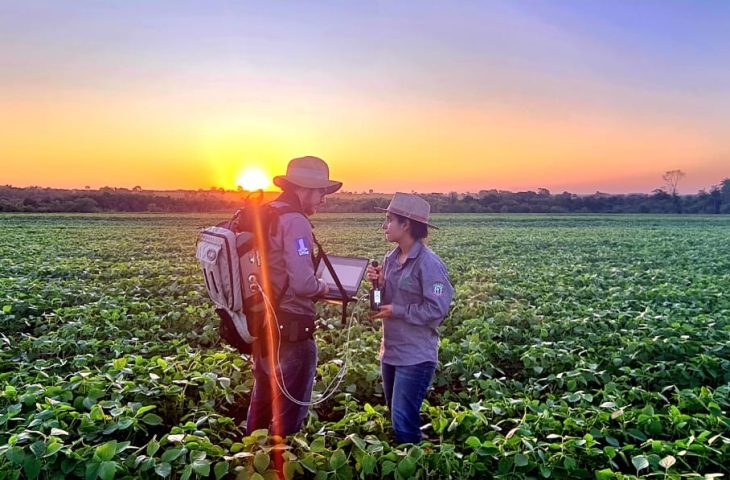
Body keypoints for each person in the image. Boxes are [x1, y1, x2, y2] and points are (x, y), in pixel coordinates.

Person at [246, 156, 341, 437]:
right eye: (320, 192)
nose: (323, 200)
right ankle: (280, 463)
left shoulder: (268, 212)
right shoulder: (295, 221)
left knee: (261, 402)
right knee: (289, 412)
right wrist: (322, 287)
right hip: (291, 328)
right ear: (304, 189)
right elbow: (302, 283)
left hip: (262, 325)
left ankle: (250, 461)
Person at [367, 192, 454, 444]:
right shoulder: (390, 259)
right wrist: (377, 286)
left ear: (406, 225)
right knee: (398, 419)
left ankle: (416, 464)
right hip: (390, 353)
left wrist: (399, 310)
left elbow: (436, 310)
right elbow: (376, 308)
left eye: (389, 220)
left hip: (415, 357)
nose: (384, 226)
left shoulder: (430, 264)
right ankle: (417, 456)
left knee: (403, 423)